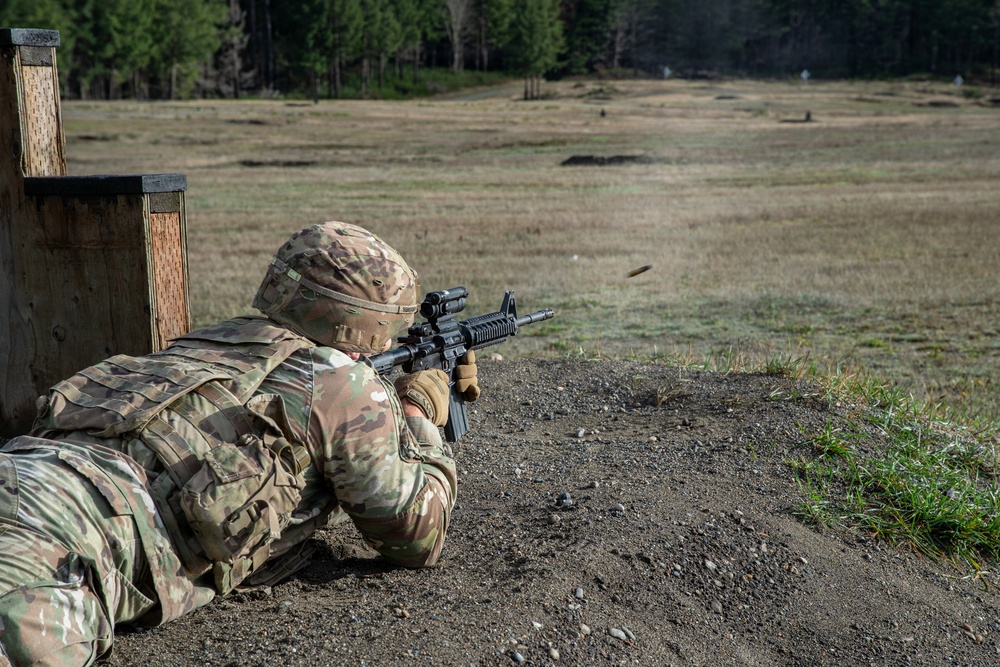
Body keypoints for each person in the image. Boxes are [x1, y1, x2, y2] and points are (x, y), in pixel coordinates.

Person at [0, 221, 479, 666]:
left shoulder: (203, 341)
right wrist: (418, 415)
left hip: (23, 469)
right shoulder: (340, 380)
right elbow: (417, 537)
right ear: (363, 322)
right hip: (63, 535)